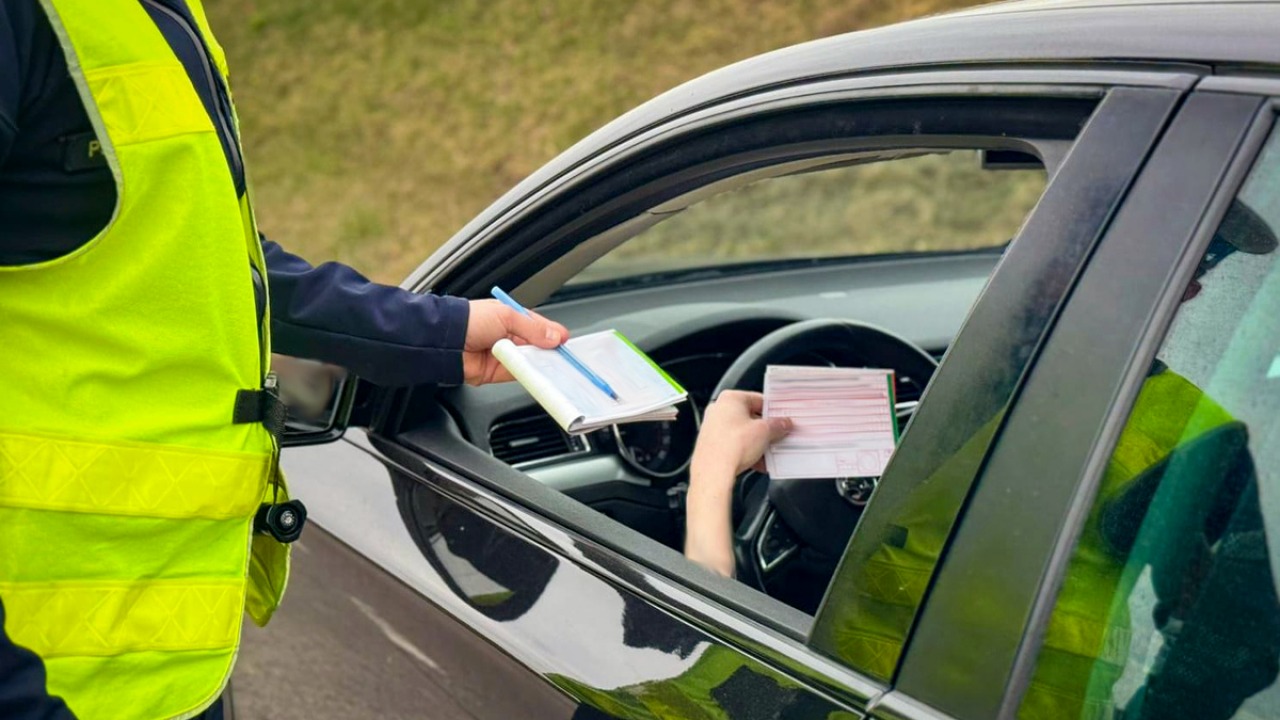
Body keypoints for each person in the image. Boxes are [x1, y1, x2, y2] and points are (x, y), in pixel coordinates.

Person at [0, 1, 567, 718]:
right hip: (49, 680)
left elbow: (201, 256)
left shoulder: (155, 16)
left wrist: (440, 330)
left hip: (161, 664)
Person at [683, 200, 1280, 720]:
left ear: (1188, 288)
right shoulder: (988, 380)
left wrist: (708, 482)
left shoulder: (1196, 437)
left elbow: (697, 673)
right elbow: (1229, 639)